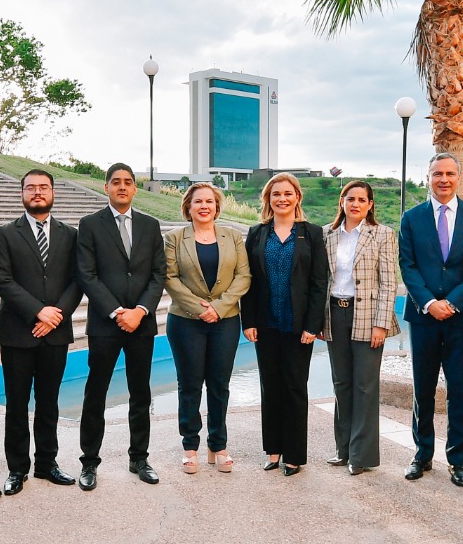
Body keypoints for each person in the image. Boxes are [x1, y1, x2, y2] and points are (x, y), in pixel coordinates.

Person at [398, 152, 463, 487]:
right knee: (422, 389)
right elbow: (408, 265)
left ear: (458, 177)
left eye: (450, 173)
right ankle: (422, 455)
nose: (443, 179)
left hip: (460, 318)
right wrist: (429, 302)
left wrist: (453, 302)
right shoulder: (412, 218)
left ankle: (457, 460)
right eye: (437, 173)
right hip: (423, 317)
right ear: (428, 177)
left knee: (459, 390)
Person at [0, 170, 83, 495]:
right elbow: (2, 279)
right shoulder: (6, 233)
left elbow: (78, 280)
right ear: (22, 194)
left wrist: (55, 316)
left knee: (49, 402)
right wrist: (37, 311)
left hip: (55, 332)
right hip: (17, 331)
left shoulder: (70, 235)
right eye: (31, 188)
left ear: (53, 192)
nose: (38, 192)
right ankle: (17, 469)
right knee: (16, 404)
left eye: (44, 187)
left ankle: (47, 463)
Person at [75, 163, 166, 490]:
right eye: (116, 182)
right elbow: (87, 275)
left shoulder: (150, 225)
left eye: (128, 182)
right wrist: (117, 312)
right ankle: (89, 462)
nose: (122, 187)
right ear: (106, 187)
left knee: (140, 393)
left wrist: (140, 311)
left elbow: (158, 274)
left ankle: (139, 458)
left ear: (135, 189)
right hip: (105, 324)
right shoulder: (89, 225)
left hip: (141, 323)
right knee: (95, 393)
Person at [242, 173, 328, 476]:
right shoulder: (256, 233)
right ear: (268, 199)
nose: (282, 198)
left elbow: (319, 283)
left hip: (298, 326)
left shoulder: (312, 233)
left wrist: (312, 325)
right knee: (270, 387)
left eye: (288, 193)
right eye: (276, 194)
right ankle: (273, 450)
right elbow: (248, 281)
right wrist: (248, 320)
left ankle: (294, 455)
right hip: (265, 324)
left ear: (297, 197)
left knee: (294, 388)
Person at [164, 182, 250, 474]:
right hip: (186, 321)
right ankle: (190, 446)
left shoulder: (232, 236)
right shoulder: (175, 238)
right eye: (198, 201)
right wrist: (201, 308)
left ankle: (218, 445)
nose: (204, 206)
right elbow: (170, 278)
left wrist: (219, 308)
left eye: (209, 201)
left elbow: (243, 276)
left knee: (219, 385)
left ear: (217, 206)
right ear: (188, 207)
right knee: (189, 385)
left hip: (225, 321)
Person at [320, 180, 399, 476]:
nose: (355, 204)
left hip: (367, 315)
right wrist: (319, 321)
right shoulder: (327, 234)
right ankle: (342, 450)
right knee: (341, 383)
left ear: (370, 204)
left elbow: (389, 282)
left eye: (361, 200)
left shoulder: (382, 234)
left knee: (365, 385)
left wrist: (381, 324)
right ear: (342, 201)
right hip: (334, 313)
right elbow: (321, 280)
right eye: (350, 198)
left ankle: (360, 456)